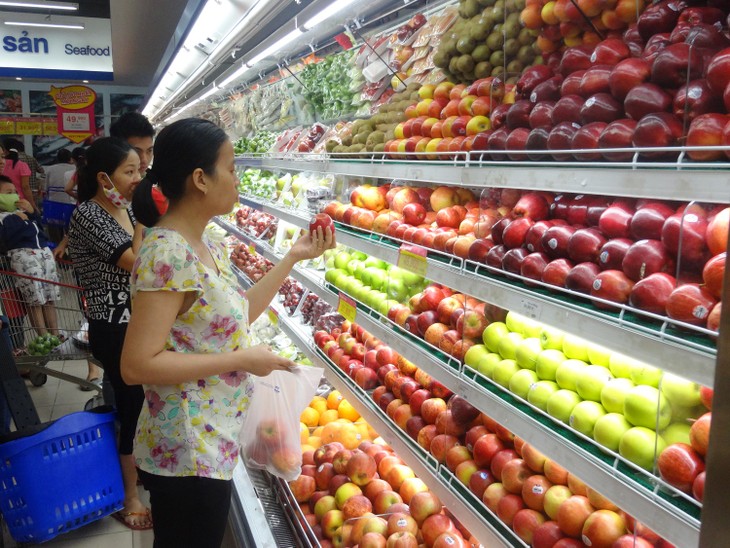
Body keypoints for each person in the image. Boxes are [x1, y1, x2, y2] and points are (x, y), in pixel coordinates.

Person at [120, 118, 334, 548]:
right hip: (185, 451)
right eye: (232, 168)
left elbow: (234, 316)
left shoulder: (208, 243)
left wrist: (291, 258)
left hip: (214, 438)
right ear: (200, 179)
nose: (237, 179)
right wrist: (240, 360)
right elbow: (136, 365)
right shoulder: (166, 253)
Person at [67, 137, 151, 531]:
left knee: (145, 403)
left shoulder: (126, 209)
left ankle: (143, 475)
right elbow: (138, 263)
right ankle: (129, 496)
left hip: (140, 322)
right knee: (132, 406)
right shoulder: (89, 215)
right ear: (105, 178)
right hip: (114, 326)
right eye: (129, 171)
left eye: (140, 170)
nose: (138, 178)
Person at [0, 176, 61, 341]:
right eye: (8, 192)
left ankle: (56, 335)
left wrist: (33, 213)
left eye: (15, 192)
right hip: (24, 258)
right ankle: (44, 338)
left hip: (44, 254)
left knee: (49, 298)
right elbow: (5, 240)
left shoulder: (23, 212)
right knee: (35, 301)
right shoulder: (4, 218)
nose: (14, 196)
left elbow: (40, 229)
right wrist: (16, 220)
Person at [5, 138, 43, 205]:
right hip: (25, 197)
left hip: (5, 198)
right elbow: (42, 171)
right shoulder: (30, 159)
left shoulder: (4, 164)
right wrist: (38, 182)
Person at [2, 146, 35, 211]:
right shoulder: (22, 165)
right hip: (20, 202)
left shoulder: (2, 164)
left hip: (3, 200)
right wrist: (33, 204)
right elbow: (25, 187)